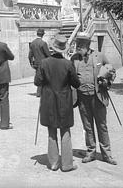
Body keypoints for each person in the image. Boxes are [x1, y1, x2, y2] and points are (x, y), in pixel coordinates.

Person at [34, 33, 80, 172]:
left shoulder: (44, 63)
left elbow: (37, 82)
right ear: (64, 49)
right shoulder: (68, 64)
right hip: (64, 101)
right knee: (65, 131)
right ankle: (67, 164)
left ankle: (53, 163)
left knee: (51, 131)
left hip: (48, 101)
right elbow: (76, 84)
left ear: (53, 48)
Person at [72, 33, 117, 165]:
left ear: (87, 45)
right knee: (88, 126)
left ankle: (106, 154)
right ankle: (91, 152)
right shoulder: (74, 58)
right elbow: (69, 75)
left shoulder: (99, 55)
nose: (78, 46)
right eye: (77, 44)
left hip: (98, 97)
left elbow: (111, 71)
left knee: (102, 126)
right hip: (82, 97)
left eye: (80, 44)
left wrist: (106, 81)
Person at [28, 27, 51, 96]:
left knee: (39, 76)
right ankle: (41, 92)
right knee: (44, 77)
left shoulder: (32, 43)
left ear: (37, 34)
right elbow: (48, 54)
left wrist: (31, 63)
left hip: (36, 63)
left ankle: (39, 92)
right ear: (43, 35)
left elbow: (30, 55)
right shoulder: (43, 43)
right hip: (44, 63)